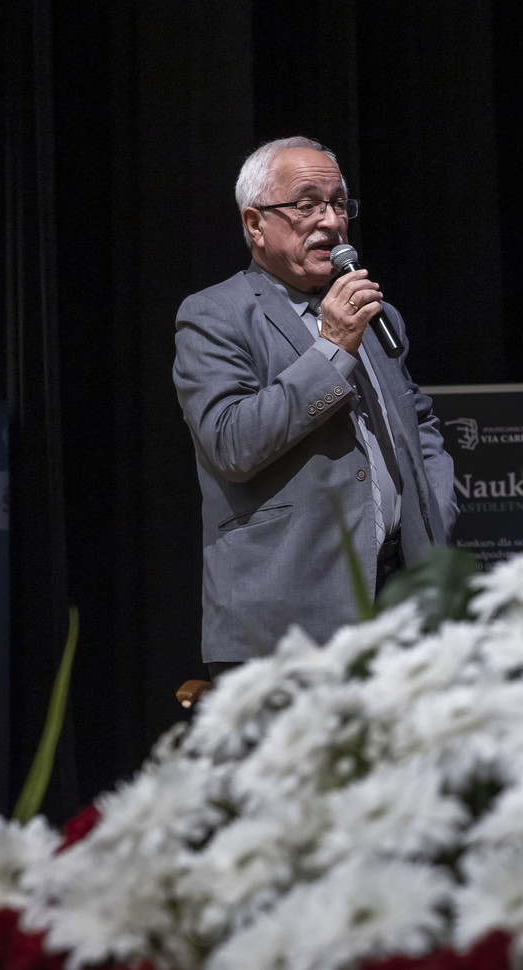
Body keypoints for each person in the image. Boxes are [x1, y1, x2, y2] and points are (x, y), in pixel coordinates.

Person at [173, 137, 457, 672]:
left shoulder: (377, 315)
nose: (330, 222)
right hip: (285, 618)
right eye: (307, 205)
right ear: (256, 223)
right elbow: (231, 444)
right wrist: (332, 348)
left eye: (339, 204)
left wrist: (432, 513)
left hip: (402, 604)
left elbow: (418, 422)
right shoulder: (215, 314)